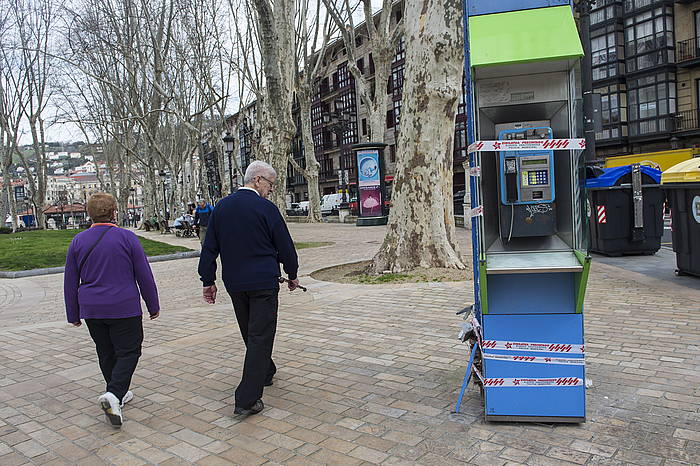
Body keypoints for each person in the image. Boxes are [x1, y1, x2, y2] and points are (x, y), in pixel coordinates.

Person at [198, 161, 299, 416]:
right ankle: (246, 398)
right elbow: (285, 245)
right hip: (263, 281)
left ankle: (265, 370)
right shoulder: (266, 208)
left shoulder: (221, 208)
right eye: (270, 184)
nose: (270, 190)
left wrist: (207, 280)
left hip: (235, 282)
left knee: (250, 331)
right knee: (260, 335)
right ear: (257, 180)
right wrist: (292, 273)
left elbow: (209, 247)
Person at [64, 193, 160, 428]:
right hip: (124, 306)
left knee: (105, 352)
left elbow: (70, 280)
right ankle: (114, 394)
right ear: (115, 212)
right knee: (129, 351)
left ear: (89, 214)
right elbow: (144, 274)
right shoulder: (127, 238)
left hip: (92, 308)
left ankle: (116, 393)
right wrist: (152, 304)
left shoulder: (78, 241)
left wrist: (73, 313)